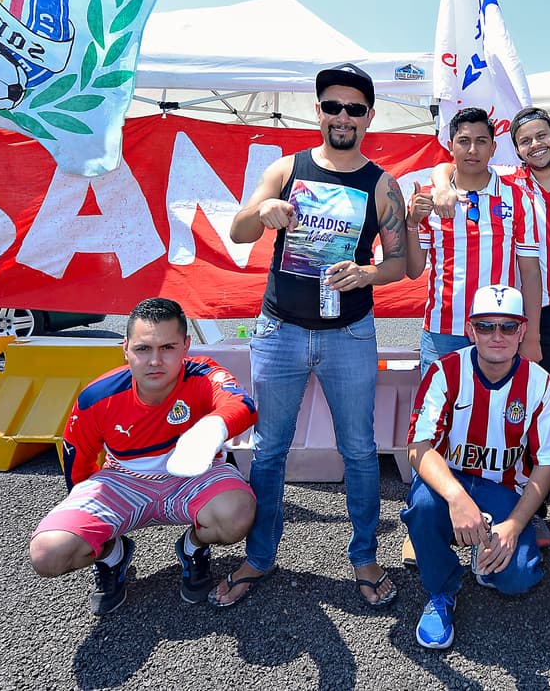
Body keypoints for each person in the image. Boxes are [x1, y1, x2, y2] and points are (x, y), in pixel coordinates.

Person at [219, 63, 409, 608]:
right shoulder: (287, 169)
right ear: (318, 111)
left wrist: (368, 274)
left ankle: (365, 557)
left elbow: (399, 263)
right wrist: (265, 210)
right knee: (271, 448)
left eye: (354, 108)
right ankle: (258, 558)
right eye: (333, 106)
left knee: (359, 450)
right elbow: (238, 230)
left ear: (369, 117)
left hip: (349, 333)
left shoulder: (382, 184)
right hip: (280, 329)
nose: (342, 117)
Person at [428, 106, 550, 536]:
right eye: (525, 140)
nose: (536, 145)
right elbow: (456, 163)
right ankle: (528, 507)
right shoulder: (512, 183)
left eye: (541, 136)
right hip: (530, 319)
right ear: (515, 150)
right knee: (532, 411)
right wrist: (441, 181)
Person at [28, 297, 257, 616]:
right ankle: (113, 556)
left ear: (186, 345)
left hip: (193, 479)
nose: (155, 361)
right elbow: (78, 461)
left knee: (237, 514)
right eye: (143, 349)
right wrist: (91, 526)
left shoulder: (204, 374)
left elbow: (242, 404)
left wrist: (211, 429)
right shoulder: (98, 396)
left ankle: (193, 548)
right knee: (47, 553)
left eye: (168, 348)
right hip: (123, 481)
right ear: (125, 349)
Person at [401, 284, 550, 650]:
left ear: (523, 331)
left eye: (507, 326)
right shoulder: (444, 371)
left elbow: (546, 463)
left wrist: (515, 526)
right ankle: (441, 591)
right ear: (470, 330)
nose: (497, 336)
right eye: (486, 326)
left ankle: (488, 542)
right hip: (451, 482)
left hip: (503, 490)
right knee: (424, 504)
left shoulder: (539, 382)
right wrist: (457, 498)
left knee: (518, 580)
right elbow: (418, 447)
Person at [406, 106, 543, 375]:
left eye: (481, 142)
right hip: (442, 332)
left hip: (499, 330)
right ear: (450, 146)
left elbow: (530, 273)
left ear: (493, 148)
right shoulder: (428, 198)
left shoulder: (517, 198)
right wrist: (411, 223)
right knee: (438, 415)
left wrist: (531, 335)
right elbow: (413, 271)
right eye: (464, 141)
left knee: (495, 414)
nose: (472, 150)